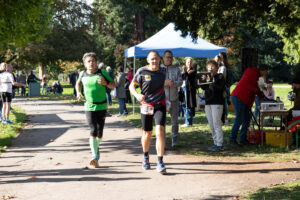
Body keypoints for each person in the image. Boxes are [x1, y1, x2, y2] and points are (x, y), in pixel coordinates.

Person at [129, 50, 167, 174]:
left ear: (159, 59)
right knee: (147, 133)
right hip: (146, 105)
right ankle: (145, 157)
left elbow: (165, 81)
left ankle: (160, 161)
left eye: (156, 58)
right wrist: (137, 95)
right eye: (152, 59)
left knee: (160, 131)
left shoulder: (163, 71)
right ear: (148, 60)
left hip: (160, 105)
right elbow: (131, 86)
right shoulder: (141, 71)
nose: (154, 61)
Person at [76, 52, 115, 168]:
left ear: (96, 63)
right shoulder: (82, 74)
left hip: (102, 106)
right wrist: (78, 92)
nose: (91, 63)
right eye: (89, 61)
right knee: (93, 130)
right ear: (85, 64)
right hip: (89, 106)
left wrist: (106, 83)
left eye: (93, 61)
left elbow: (114, 85)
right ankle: (94, 156)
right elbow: (78, 84)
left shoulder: (102, 72)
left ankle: (96, 148)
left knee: (100, 133)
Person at [228, 64, 268, 146]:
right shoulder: (251, 71)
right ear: (263, 70)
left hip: (244, 99)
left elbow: (257, 88)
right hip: (239, 96)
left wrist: (262, 96)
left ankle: (243, 139)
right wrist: (255, 90)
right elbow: (247, 84)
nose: (265, 74)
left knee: (247, 119)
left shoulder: (257, 76)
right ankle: (232, 139)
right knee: (239, 118)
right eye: (265, 72)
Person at [200, 60, 225, 151]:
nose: (210, 68)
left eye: (212, 66)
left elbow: (219, 88)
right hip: (208, 102)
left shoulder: (220, 77)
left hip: (217, 102)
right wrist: (201, 80)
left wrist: (211, 81)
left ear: (216, 68)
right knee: (211, 124)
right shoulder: (207, 77)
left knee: (216, 123)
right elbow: (203, 88)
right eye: (209, 66)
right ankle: (215, 142)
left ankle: (219, 144)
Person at [162, 50, 183, 147]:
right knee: (162, 121)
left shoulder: (177, 69)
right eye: (167, 57)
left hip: (174, 98)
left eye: (170, 57)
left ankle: (174, 141)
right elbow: (155, 82)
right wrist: (165, 82)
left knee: (175, 121)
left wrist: (173, 83)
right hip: (162, 99)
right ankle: (163, 141)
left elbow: (181, 82)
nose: (169, 59)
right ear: (163, 58)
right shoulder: (159, 69)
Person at [181, 58, 197, 127]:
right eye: (188, 62)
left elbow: (188, 76)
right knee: (184, 105)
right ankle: (186, 120)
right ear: (185, 63)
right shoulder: (184, 70)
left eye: (190, 62)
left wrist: (184, 71)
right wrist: (183, 72)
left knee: (188, 105)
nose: (189, 63)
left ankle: (188, 122)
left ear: (192, 63)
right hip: (183, 88)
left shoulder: (193, 71)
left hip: (189, 90)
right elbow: (182, 77)